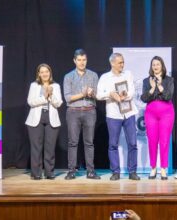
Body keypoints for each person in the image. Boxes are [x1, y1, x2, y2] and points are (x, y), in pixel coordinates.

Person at [96, 53, 140, 181]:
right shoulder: (105, 77)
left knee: (132, 143)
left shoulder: (128, 74)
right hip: (113, 114)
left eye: (123, 62)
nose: (122, 65)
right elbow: (99, 95)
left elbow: (132, 91)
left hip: (129, 113)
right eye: (120, 62)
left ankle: (132, 171)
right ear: (112, 63)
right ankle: (115, 171)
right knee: (113, 144)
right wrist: (111, 94)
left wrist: (124, 94)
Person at [63, 49, 100, 180]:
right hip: (73, 111)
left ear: (86, 60)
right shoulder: (68, 76)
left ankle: (90, 171)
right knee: (73, 142)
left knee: (89, 142)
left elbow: (98, 95)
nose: (82, 62)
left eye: (84, 60)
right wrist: (83, 94)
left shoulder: (93, 75)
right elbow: (67, 98)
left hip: (89, 110)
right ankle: (71, 171)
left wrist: (92, 93)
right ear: (74, 61)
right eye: (79, 60)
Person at [25, 63, 63, 180]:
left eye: (46, 71)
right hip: (36, 119)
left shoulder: (55, 86)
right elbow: (31, 101)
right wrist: (44, 97)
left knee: (50, 147)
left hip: (51, 119)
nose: (44, 74)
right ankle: (36, 173)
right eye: (42, 72)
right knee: (36, 147)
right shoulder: (34, 85)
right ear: (39, 74)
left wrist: (50, 96)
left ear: (50, 73)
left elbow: (59, 103)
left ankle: (49, 172)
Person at [140, 56, 174, 180]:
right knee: (152, 141)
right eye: (153, 64)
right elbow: (144, 98)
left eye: (158, 64)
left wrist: (160, 86)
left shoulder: (169, 80)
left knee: (164, 141)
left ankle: (163, 168)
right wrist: (152, 87)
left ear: (162, 66)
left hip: (166, 113)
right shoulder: (146, 81)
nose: (155, 66)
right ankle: (153, 168)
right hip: (151, 113)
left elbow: (168, 96)